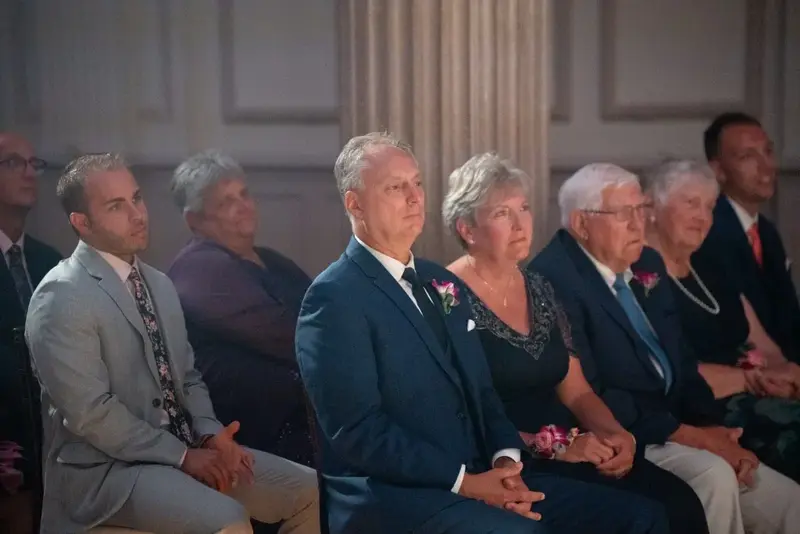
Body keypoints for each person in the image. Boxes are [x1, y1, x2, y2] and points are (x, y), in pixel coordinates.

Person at [296, 132, 669, 534]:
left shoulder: (440, 282)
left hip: (481, 473)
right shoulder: (334, 298)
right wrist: (466, 482)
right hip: (398, 497)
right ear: (354, 204)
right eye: (395, 187)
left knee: (641, 519)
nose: (414, 197)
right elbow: (359, 432)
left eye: (417, 183)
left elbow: (481, 392)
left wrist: (506, 462)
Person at [25, 153, 319, 534]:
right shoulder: (61, 295)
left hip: (183, 447)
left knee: (312, 491)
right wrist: (182, 456)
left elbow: (189, 377)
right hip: (106, 472)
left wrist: (212, 434)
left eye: (136, 198)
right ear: (82, 223)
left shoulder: (159, 283)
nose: (137, 214)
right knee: (227, 521)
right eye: (116, 206)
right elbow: (90, 414)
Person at [443, 153, 708, 534]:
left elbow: (577, 389)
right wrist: (556, 446)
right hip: (507, 462)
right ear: (467, 228)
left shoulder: (539, 286)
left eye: (525, 208)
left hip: (572, 446)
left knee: (680, 503)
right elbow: (461, 415)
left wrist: (617, 435)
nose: (521, 224)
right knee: (642, 516)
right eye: (503, 214)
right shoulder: (447, 296)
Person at [531, 162, 800, 534]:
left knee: (791, 503)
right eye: (624, 213)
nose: (638, 223)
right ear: (581, 224)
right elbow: (595, 392)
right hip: (625, 435)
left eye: (640, 210)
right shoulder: (554, 280)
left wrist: (711, 427)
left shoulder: (646, 263)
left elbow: (683, 362)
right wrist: (696, 437)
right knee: (715, 476)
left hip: (678, 425)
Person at [644, 158, 800, 482]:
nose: (703, 217)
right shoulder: (640, 280)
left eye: (710, 206)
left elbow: (766, 347)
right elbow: (670, 374)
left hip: (760, 395)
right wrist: (750, 379)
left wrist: (789, 376)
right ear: (651, 207)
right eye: (691, 203)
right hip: (708, 413)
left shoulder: (713, 270)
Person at [168, 150, 313, 467]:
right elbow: (286, 334)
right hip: (253, 434)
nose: (242, 206)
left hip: (302, 416)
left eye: (243, 194)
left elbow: (322, 309)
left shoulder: (273, 260)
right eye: (225, 202)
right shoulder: (198, 268)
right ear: (194, 220)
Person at [694, 112, 800, 359]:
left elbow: (788, 320)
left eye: (768, 152)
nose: (766, 167)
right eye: (747, 157)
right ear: (718, 170)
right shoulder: (706, 232)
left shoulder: (766, 231)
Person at [0, 132, 61, 502]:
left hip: (51, 434)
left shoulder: (50, 261)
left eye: (33, 164)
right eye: (12, 162)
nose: (28, 173)